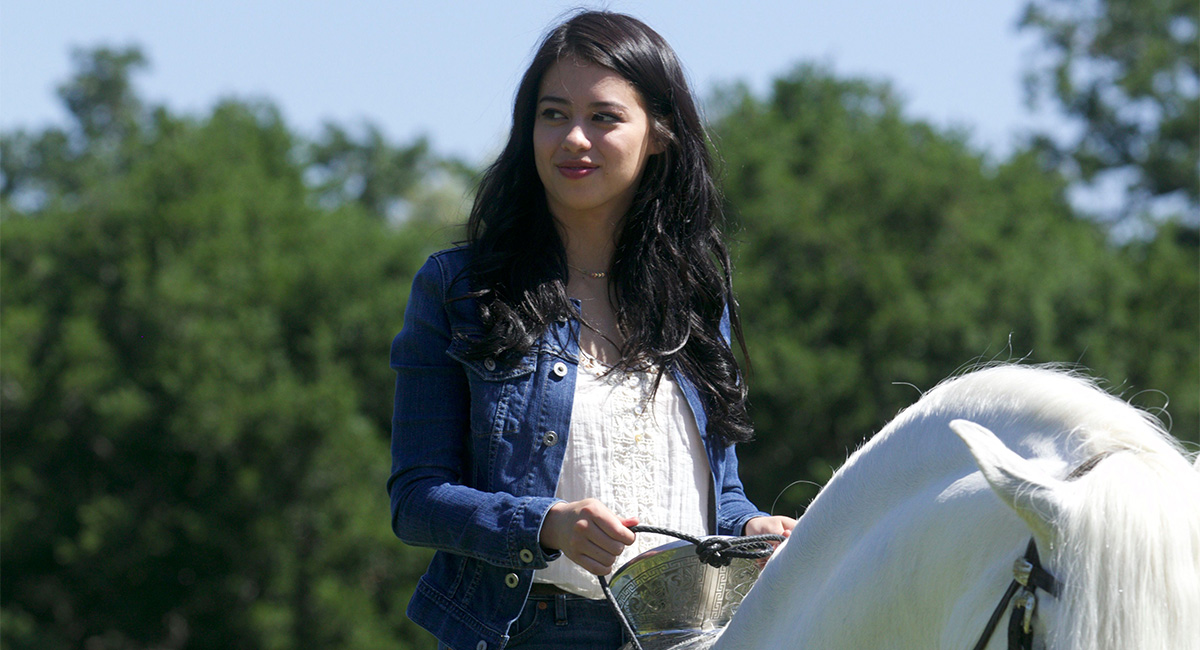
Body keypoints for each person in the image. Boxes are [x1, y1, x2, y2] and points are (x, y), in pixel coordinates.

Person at [387, 10, 796, 650]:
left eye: (604, 117)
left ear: (659, 133)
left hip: (694, 632)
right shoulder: (460, 289)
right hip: (532, 633)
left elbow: (722, 492)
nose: (574, 137)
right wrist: (546, 525)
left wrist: (751, 532)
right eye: (553, 114)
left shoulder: (693, 297)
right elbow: (415, 499)